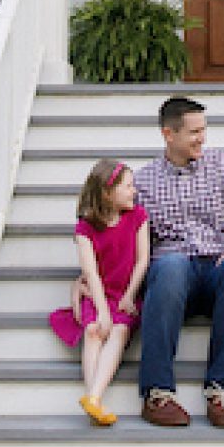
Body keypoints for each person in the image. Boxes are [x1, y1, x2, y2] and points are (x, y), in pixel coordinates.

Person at [134, 96, 224, 428]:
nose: (202, 138)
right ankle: (157, 393)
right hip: (173, 271)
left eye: (204, 130)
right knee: (171, 266)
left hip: (218, 262)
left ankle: (221, 392)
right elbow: (131, 242)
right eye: (194, 132)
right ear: (168, 134)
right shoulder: (144, 181)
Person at [47, 159, 150, 426]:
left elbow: (142, 261)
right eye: (128, 186)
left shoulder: (138, 216)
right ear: (107, 192)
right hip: (98, 293)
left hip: (126, 293)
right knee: (93, 330)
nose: (134, 191)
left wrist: (129, 296)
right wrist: (103, 310)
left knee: (118, 330)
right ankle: (94, 399)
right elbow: (91, 273)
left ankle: (93, 397)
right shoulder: (85, 228)